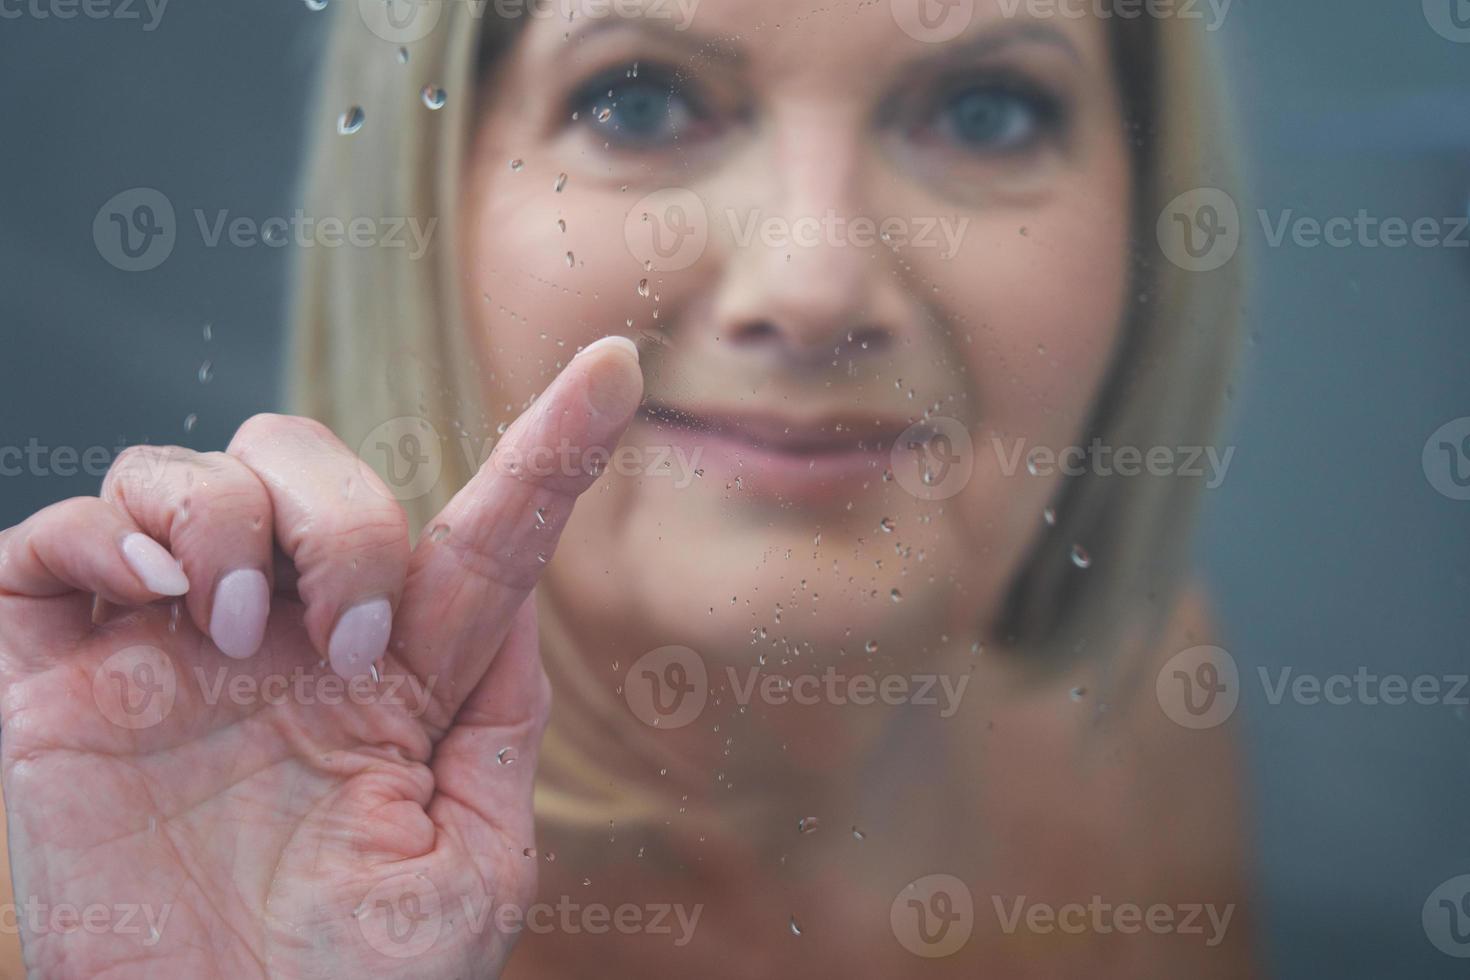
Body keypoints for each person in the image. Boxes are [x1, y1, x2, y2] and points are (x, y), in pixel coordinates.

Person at [0, 0, 1256, 975]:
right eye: (640, 102)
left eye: (986, 111)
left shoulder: (1138, 706)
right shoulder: (81, 867)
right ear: (425, 201)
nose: (813, 286)